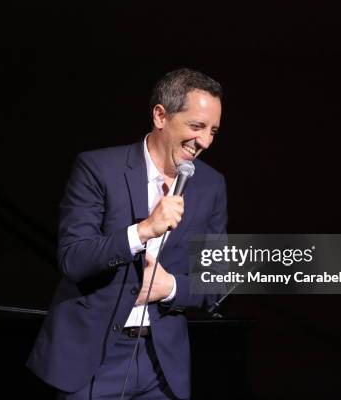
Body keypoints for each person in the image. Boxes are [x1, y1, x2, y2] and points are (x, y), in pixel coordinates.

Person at [27, 68, 228, 399]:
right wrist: (144, 229)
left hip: (161, 366)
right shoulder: (98, 169)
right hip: (93, 360)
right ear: (160, 116)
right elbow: (72, 260)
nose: (205, 141)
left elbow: (217, 279)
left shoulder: (210, 184)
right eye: (196, 126)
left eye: (213, 131)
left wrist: (171, 287)